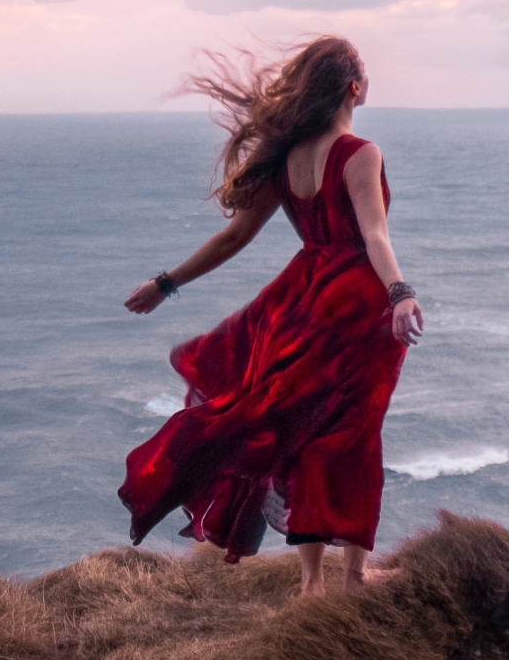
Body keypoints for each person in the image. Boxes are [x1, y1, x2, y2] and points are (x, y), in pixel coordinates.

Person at [117, 36, 423, 596]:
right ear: (353, 88)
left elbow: (235, 235)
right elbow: (373, 234)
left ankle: (312, 579)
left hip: (300, 299)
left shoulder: (286, 159)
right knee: (353, 434)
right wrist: (400, 293)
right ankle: (352, 575)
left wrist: (167, 283)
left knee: (303, 433)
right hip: (356, 303)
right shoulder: (360, 152)